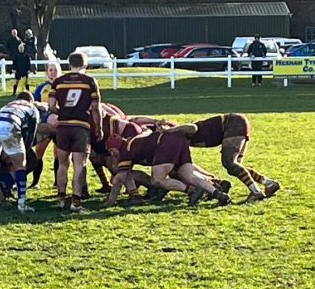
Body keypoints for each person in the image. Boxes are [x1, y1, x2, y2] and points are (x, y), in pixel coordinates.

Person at [164, 113, 280, 202]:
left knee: (229, 163)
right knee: (234, 167)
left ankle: (256, 192)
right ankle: (269, 184)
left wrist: (171, 130)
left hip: (232, 124)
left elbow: (192, 127)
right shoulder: (182, 140)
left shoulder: (180, 132)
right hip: (234, 125)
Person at [103, 131, 231, 208]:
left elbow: (120, 177)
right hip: (177, 139)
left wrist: (110, 201)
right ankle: (218, 194)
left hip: (165, 143)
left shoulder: (126, 149)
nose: (112, 155)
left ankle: (191, 191)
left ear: (116, 146)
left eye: (111, 151)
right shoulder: (132, 142)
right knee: (188, 175)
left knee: (157, 180)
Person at [48, 52, 102, 212]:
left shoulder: (58, 82)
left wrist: (62, 112)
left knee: (62, 164)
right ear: (85, 65)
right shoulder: (90, 82)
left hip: (63, 127)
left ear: (69, 64)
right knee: (80, 164)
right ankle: (76, 202)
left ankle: (60, 198)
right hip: (81, 127)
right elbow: (95, 107)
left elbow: (51, 105)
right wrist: (98, 127)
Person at [0, 92, 39, 213]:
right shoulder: (32, 108)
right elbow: (31, 133)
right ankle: (22, 203)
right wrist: (25, 150)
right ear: (31, 101)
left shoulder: (7, 105)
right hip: (10, 126)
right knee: (20, 166)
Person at [30, 62, 62, 188]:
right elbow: (33, 103)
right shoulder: (41, 88)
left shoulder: (63, 87)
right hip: (44, 124)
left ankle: (57, 182)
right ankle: (35, 182)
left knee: (58, 153)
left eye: (55, 70)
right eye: (50, 70)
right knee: (39, 152)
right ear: (47, 72)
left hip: (59, 124)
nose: (53, 72)